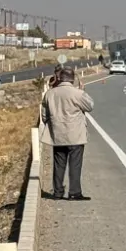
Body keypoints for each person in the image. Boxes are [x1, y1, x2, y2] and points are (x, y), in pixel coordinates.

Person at [41, 67, 94, 201]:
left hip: (57, 134)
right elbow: (90, 106)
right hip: (75, 134)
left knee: (59, 164)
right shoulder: (77, 93)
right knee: (75, 165)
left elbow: (44, 115)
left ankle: (57, 192)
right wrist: (82, 91)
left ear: (60, 78)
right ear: (73, 79)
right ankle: (74, 192)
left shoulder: (49, 94)